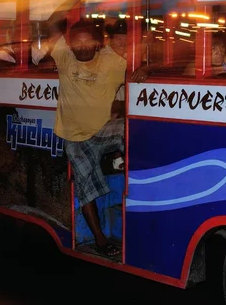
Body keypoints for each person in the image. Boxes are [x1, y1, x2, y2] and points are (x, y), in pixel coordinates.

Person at [44, 16, 149, 257]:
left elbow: (145, 67)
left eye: (87, 42)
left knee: (134, 130)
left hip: (104, 130)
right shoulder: (64, 57)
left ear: (97, 44)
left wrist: (146, 68)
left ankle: (126, 168)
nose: (81, 47)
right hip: (75, 137)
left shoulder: (112, 61)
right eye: (77, 43)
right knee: (85, 187)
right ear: (70, 46)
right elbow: (50, 22)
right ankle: (100, 241)